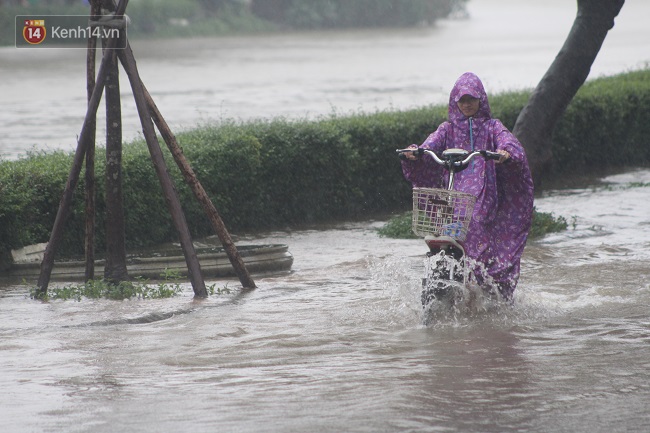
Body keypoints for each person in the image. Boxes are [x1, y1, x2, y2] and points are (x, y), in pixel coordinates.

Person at [401, 72, 534, 300]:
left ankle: (481, 279)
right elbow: (429, 144)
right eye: (462, 100)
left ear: (480, 99)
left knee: (476, 221)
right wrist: (416, 152)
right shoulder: (448, 129)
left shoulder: (492, 127)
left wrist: (505, 152)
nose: (467, 104)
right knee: (443, 222)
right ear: (455, 102)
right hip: (454, 189)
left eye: (471, 99)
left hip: (485, 190)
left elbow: (508, 141)